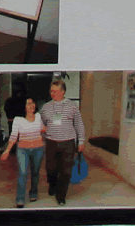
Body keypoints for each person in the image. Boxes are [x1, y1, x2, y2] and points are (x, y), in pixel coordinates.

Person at [36, 77, 87, 206]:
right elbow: (40, 124)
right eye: (51, 91)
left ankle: (61, 195)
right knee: (51, 169)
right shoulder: (46, 107)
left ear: (63, 92)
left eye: (55, 91)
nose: (52, 93)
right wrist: (42, 134)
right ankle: (52, 185)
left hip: (68, 143)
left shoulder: (72, 106)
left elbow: (79, 124)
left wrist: (81, 141)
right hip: (51, 142)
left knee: (66, 171)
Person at [1, 93, 47, 207]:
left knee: (35, 172)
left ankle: (33, 192)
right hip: (23, 150)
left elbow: (43, 129)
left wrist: (58, 126)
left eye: (33, 103)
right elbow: (13, 136)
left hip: (38, 149)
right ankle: (20, 198)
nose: (32, 105)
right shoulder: (18, 120)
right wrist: (7, 150)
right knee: (23, 173)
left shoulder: (38, 116)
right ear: (23, 107)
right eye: (29, 103)